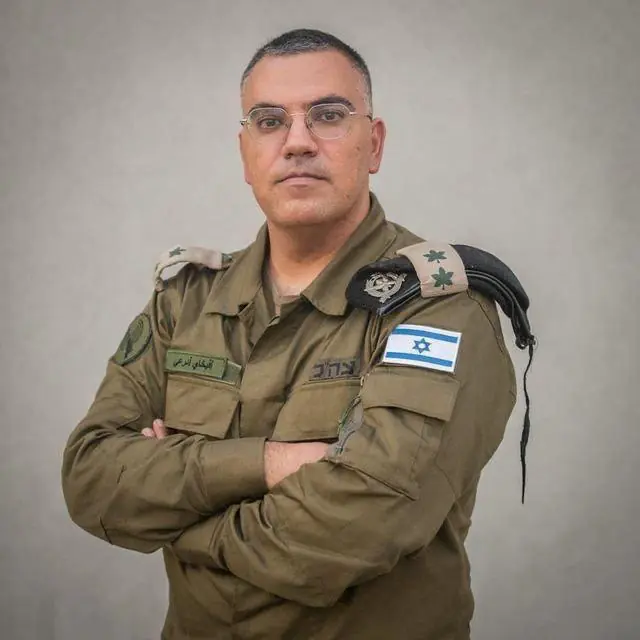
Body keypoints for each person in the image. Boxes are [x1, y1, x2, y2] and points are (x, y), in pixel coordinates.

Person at [62, 28, 520, 640]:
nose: (298, 141)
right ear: (245, 152)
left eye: (328, 115)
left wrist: (180, 523)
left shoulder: (438, 307)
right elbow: (91, 480)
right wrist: (270, 463)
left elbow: (358, 530)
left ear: (374, 144)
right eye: (270, 120)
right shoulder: (185, 301)